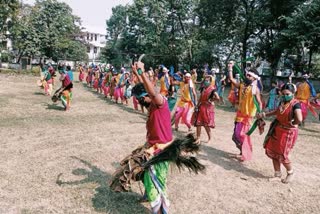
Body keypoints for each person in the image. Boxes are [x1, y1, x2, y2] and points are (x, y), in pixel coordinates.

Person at [256, 83, 302, 183]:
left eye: (288, 94)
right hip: (278, 129)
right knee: (273, 151)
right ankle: (277, 174)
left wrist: (294, 123)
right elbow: (277, 112)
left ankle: (291, 172)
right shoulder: (283, 102)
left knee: (282, 154)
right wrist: (264, 114)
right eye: (283, 94)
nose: (285, 95)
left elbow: (299, 118)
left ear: (293, 93)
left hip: (288, 132)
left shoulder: (295, 104)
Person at [228, 61, 263, 161]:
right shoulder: (242, 85)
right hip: (239, 114)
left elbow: (259, 102)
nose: (247, 76)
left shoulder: (255, 89)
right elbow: (231, 79)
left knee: (240, 135)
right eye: (247, 75)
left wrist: (259, 113)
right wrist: (230, 67)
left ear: (254, 78)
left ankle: (245, 154)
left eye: (249, 76)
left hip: (247, 116)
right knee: (235, 136)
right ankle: (242, 152)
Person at [192, 75, 219, 144]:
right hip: (201, 107)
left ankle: (210, 138)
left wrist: (211, 100)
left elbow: (217, 97)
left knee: (206, 124)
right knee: (198, 123)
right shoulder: (203, 88)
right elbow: (200, 98)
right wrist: (197, 106)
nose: (205, 82)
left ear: (210, 82)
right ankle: (198, 138)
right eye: (205, 80)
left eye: (207, 80)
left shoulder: (212, 89)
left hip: (207, 108)